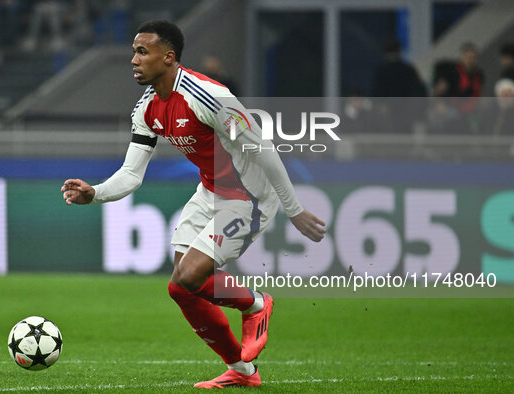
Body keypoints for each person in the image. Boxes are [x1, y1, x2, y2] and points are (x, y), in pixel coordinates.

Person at [61, 20, 326, 388]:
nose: (134, 60)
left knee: (188, 276)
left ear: (168, 57)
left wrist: (293, 209)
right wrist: (96, 192)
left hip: (247, 196)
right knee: (180, 287)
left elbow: (261, 148)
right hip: (210, 191)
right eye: (134, 52)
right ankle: (243, 371)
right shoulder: (147, 108)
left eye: (142, 52)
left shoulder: (208, 96)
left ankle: (255, 303)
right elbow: (132, 173)